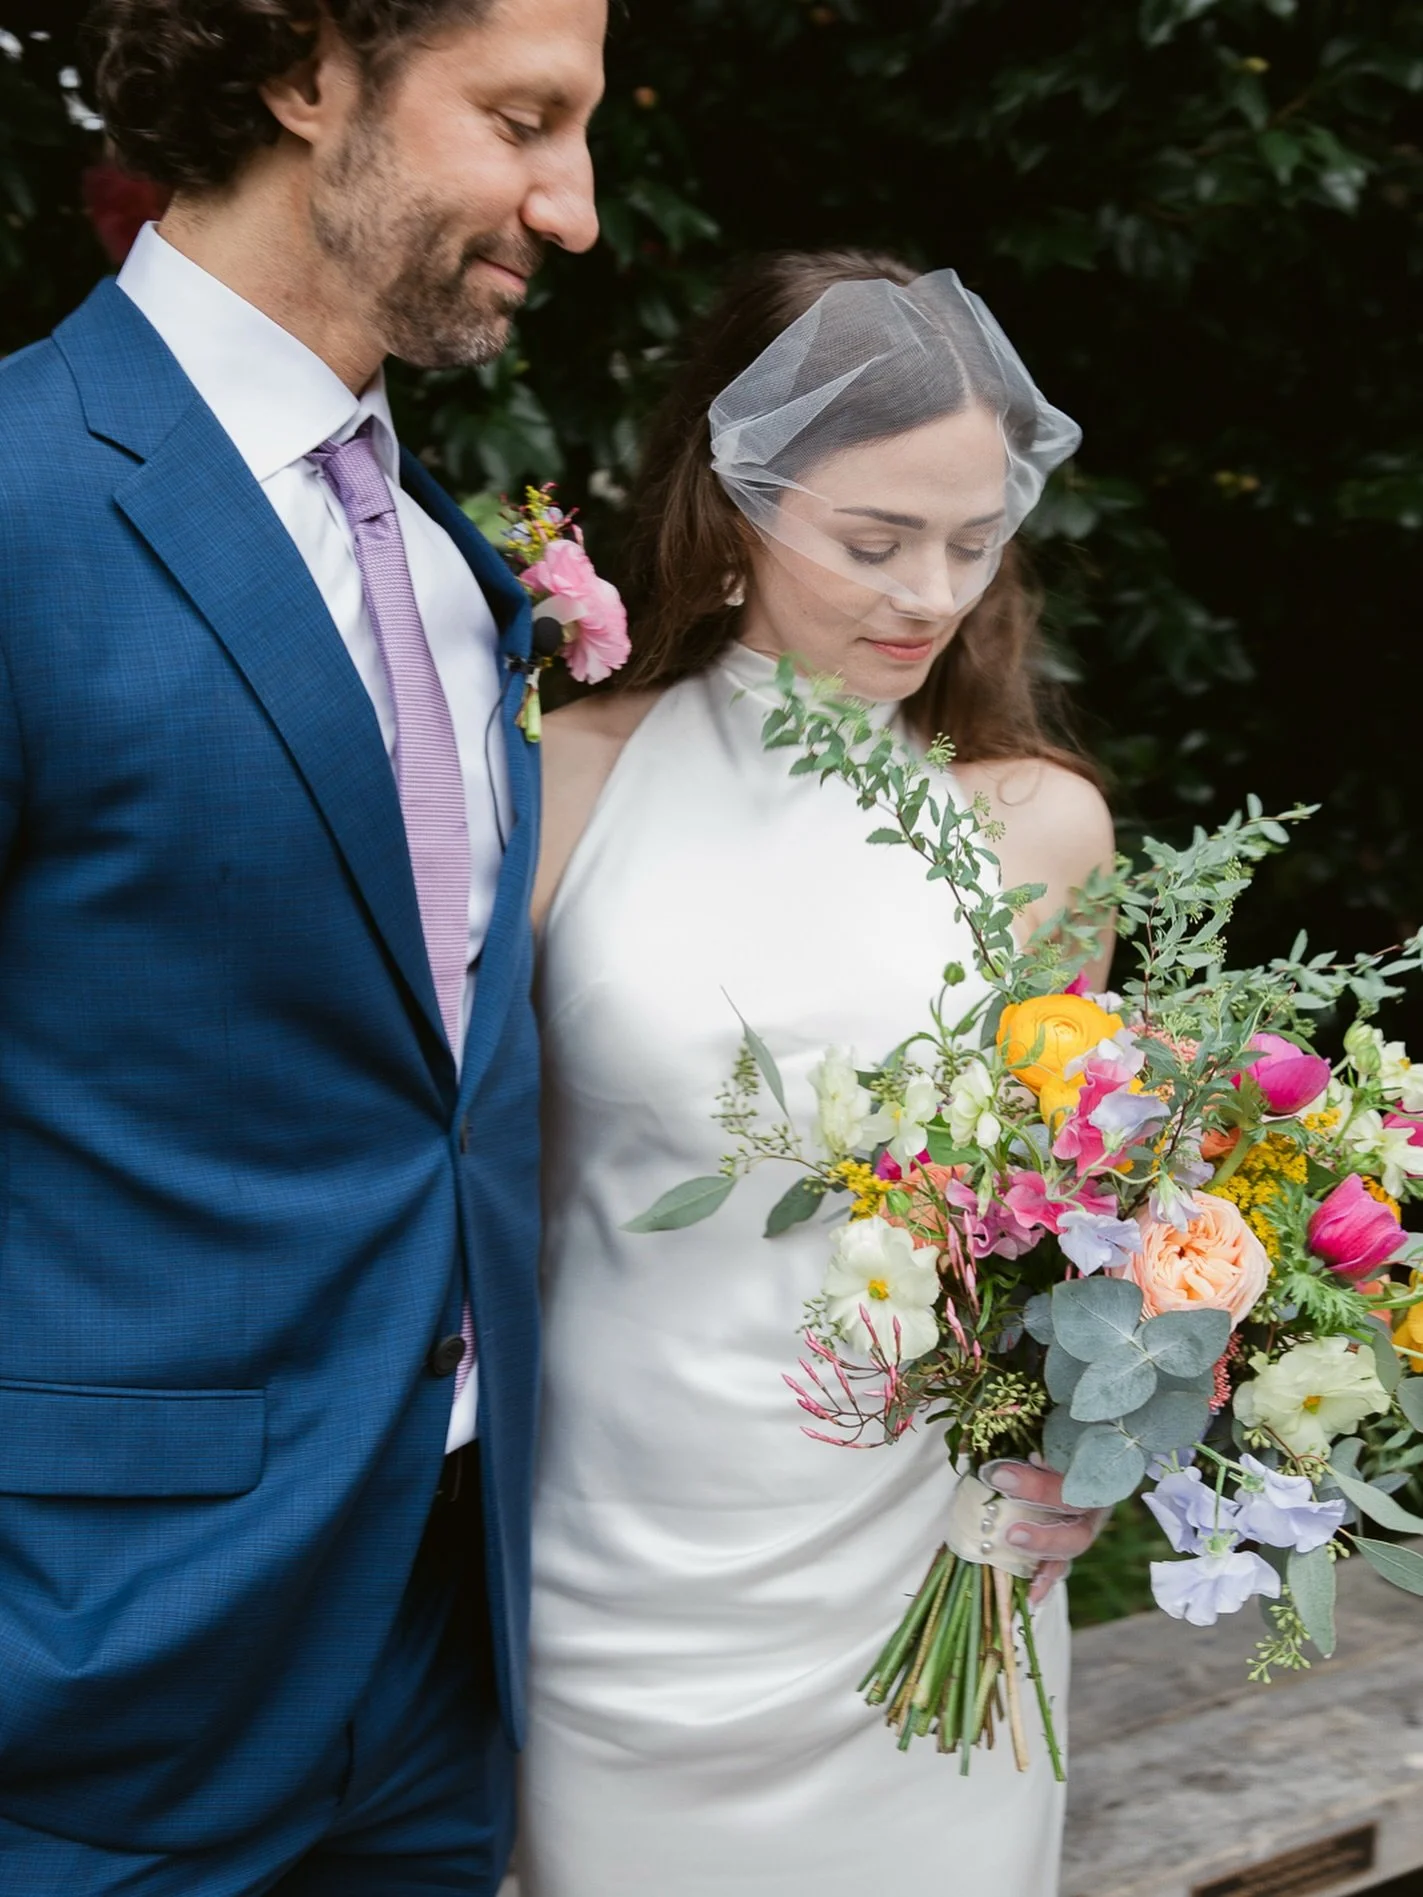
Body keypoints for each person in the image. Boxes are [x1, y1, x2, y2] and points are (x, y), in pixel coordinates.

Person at [0, 0, 603, 1889]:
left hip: (440, 1648)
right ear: (303, 70)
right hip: (92, 1678)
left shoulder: (446, 560)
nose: (573, 207)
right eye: (523, 119)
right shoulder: (15, 500)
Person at [525, 250, 1115, 1895]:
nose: (929, 591)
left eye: (969, 539)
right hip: (612, 1589)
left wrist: (1081, 1429)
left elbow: (1080, 1224)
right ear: (734, 505)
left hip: (927, 1581)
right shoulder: (564, 782)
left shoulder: (1038, 830)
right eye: (871, 540)